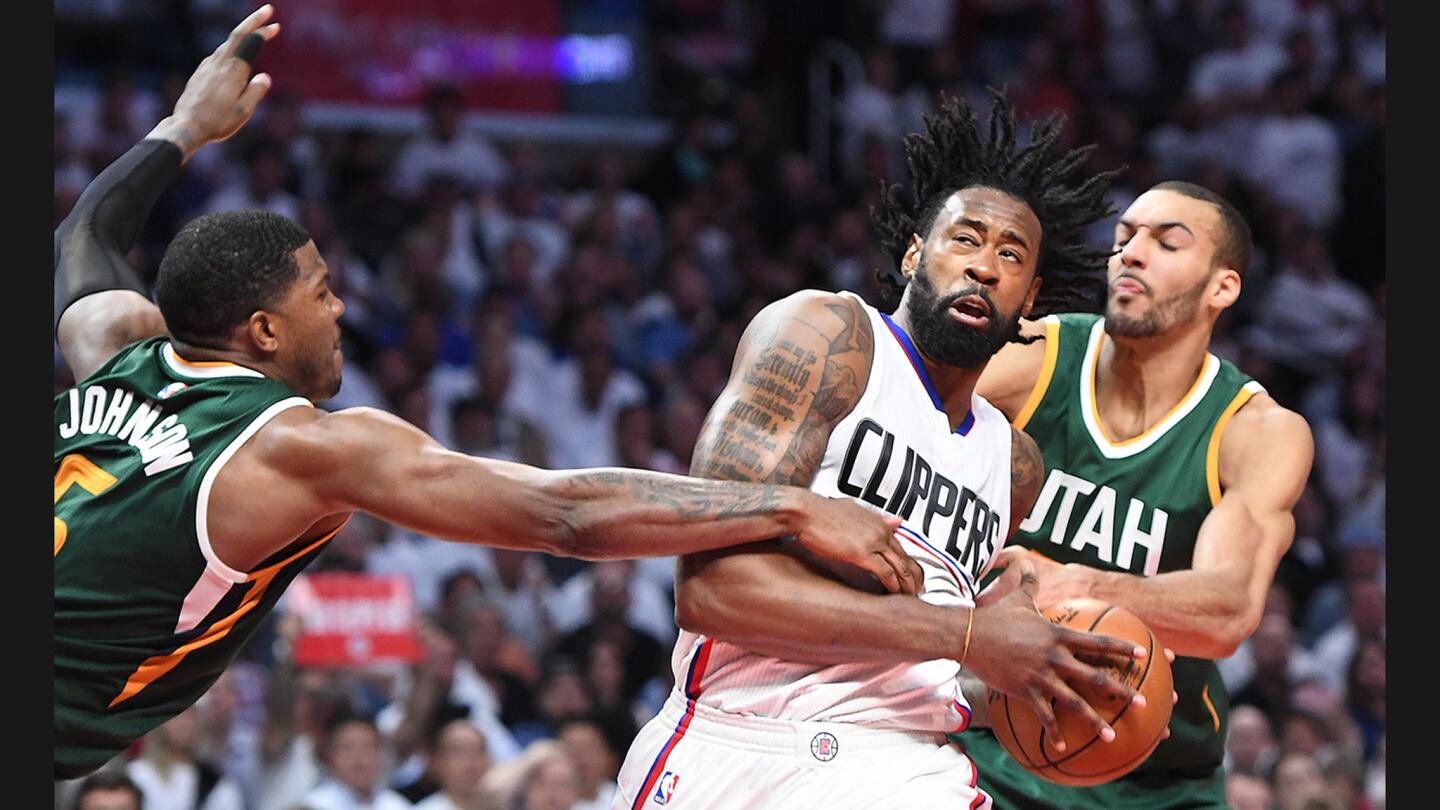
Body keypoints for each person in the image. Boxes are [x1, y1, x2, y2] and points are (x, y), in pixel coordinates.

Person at [53, 6, 921, 780]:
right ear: (265, 332)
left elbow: (83, 233)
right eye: (318, 291)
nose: (341, 306)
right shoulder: (299, 447)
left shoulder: (118, 351)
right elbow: (566, 515)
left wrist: (182, 127)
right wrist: (789, 508)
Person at [610, 91, 1152, 809]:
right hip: (742, 743)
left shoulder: (1015, 465)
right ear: (912, 254)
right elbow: (714, 593)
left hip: (903, 767)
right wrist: (968, 635)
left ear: (1030, 300)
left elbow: (920, 666)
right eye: (965, 239)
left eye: (1010, 254)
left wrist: (1048, 676)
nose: (984, 266)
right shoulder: (828, 337)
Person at [955, 180, 1314, 807]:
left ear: (1222, 287)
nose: (1131, 254)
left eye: (1167, 243)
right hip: (995, 745)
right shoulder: (1036, 357)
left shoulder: (1256, 431)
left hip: (1163, 778)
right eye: (1123, 240)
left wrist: (1080, 585)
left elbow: (1228, 609)